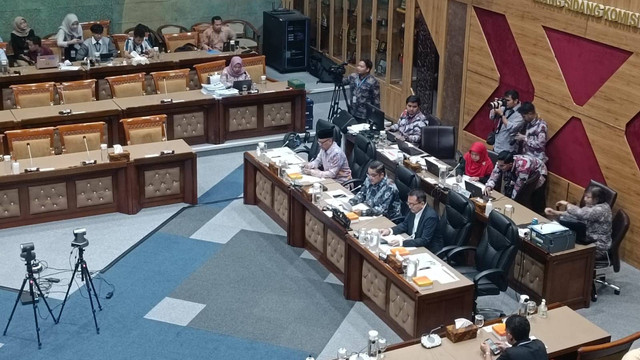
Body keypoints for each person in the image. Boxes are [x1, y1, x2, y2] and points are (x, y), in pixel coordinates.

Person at [545, 186, 612, 260]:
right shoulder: (593, 205)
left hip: (598, 246)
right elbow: (578, 216)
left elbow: (581, 213)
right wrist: (555, 212)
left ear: (596, 199)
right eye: (585, 196)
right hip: (588, 237)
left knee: (566, 249)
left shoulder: (601, 209)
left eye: (588, 197)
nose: (585, 199)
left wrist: (567, 204)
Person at [480, 315, 547, 360]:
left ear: (510, 336)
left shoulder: (510, 354)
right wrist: (509, 348)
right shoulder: (540, 344)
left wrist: (487, 352)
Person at [489, 89, 524, 154]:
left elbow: (511, 128)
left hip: (507, 149)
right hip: (497, 144)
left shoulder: (520, 114)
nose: (506, 102)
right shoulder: (505, 107)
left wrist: (502, 115)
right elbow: (491, 117)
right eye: (505, 100)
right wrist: (495, 107)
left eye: (508, 100)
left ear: (516, 101)